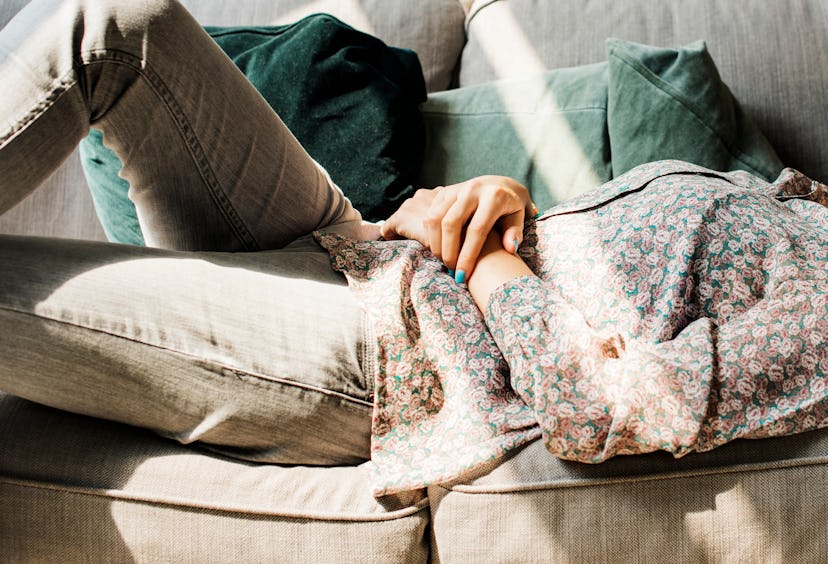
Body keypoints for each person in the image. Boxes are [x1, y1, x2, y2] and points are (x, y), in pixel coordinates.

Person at [1, 0, 826, 497]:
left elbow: (601, 406)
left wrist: (487, 257)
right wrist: (503, 200)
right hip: (361, 246)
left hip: (387, 358)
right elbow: (615, 272)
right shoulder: (797, 200)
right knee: (113, 22)